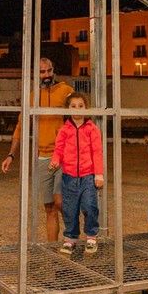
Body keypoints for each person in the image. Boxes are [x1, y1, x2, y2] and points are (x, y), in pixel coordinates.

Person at [0, 57, 74, 242]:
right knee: (49, 207)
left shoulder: (66, 91)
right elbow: (21, 126)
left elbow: (78, 116)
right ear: (36, 74)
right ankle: (53, 250)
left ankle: (72, 236)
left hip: (63, 155)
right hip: (43, 156)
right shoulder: (32, 96)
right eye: (42, 72)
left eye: (49, 71)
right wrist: (11, 154)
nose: (47, 75)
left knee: (60, 201)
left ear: (53, 70)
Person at [48, 93, 103, 255]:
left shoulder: (92, 129)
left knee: (89, 205)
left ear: (86, 109)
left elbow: (97, 152)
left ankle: (91, 236)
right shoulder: (65, 129)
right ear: (68, 109)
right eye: (73, 106)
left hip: (88, 176)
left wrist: (99, 174)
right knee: (69, 208)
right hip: (69, 176)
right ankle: (70, 238)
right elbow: (58, 149)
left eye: (81, 106)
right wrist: (56, 160)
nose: (77, 109)